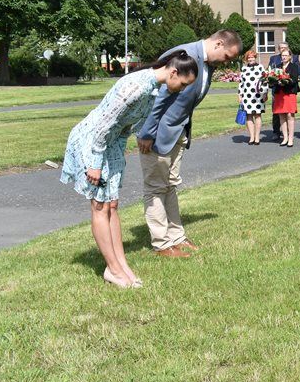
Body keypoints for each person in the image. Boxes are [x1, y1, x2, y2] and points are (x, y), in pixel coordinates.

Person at [60, 51, 199, 288]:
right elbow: (103, 124)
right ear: (174, 72)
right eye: (184, 84)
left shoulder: (155, 88)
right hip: (92, 143)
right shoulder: (136, 87)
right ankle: (113, 269)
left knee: (112, 204)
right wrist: (95, 163)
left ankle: (121, 265)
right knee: (100, 206)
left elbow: (128, 125)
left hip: (111, 144)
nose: (182, 89)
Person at [137, 29, 242, 258]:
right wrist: (146, 132)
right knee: (155, 188)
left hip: (178, 133)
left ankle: (177, 237)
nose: (226, 62)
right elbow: (155, 96)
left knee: (170, 185)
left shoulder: (207, 64)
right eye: (227, 57)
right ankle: (162, 244)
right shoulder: (183, 55)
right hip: (156, 135)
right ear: (218, 43)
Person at [268, 43, 299, 142]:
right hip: (279, 94)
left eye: (286, 55)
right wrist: (274, 82)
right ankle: (285, 137)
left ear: (290, 57)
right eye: (282, 55)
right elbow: (272, 79)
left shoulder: (294, 66)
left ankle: (290, 138)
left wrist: (284, 82)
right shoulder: (277, 66)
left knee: (290, 115)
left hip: (289, 93)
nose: (284, 57)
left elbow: (294, 80)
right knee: (281, 115)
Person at [237, 49, 268, 145]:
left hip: (258, 96)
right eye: (249, 57)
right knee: (249, 116)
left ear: (255, 57)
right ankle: (251, 137)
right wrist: (239, 95)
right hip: (247, 96)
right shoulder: (244, 68)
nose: (250, 59)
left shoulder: (260, 67)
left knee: (257, 115)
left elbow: (265, 81)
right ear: (247, 59)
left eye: (252, 57)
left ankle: (257, 137)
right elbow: (241, 83)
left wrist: (265, 93)